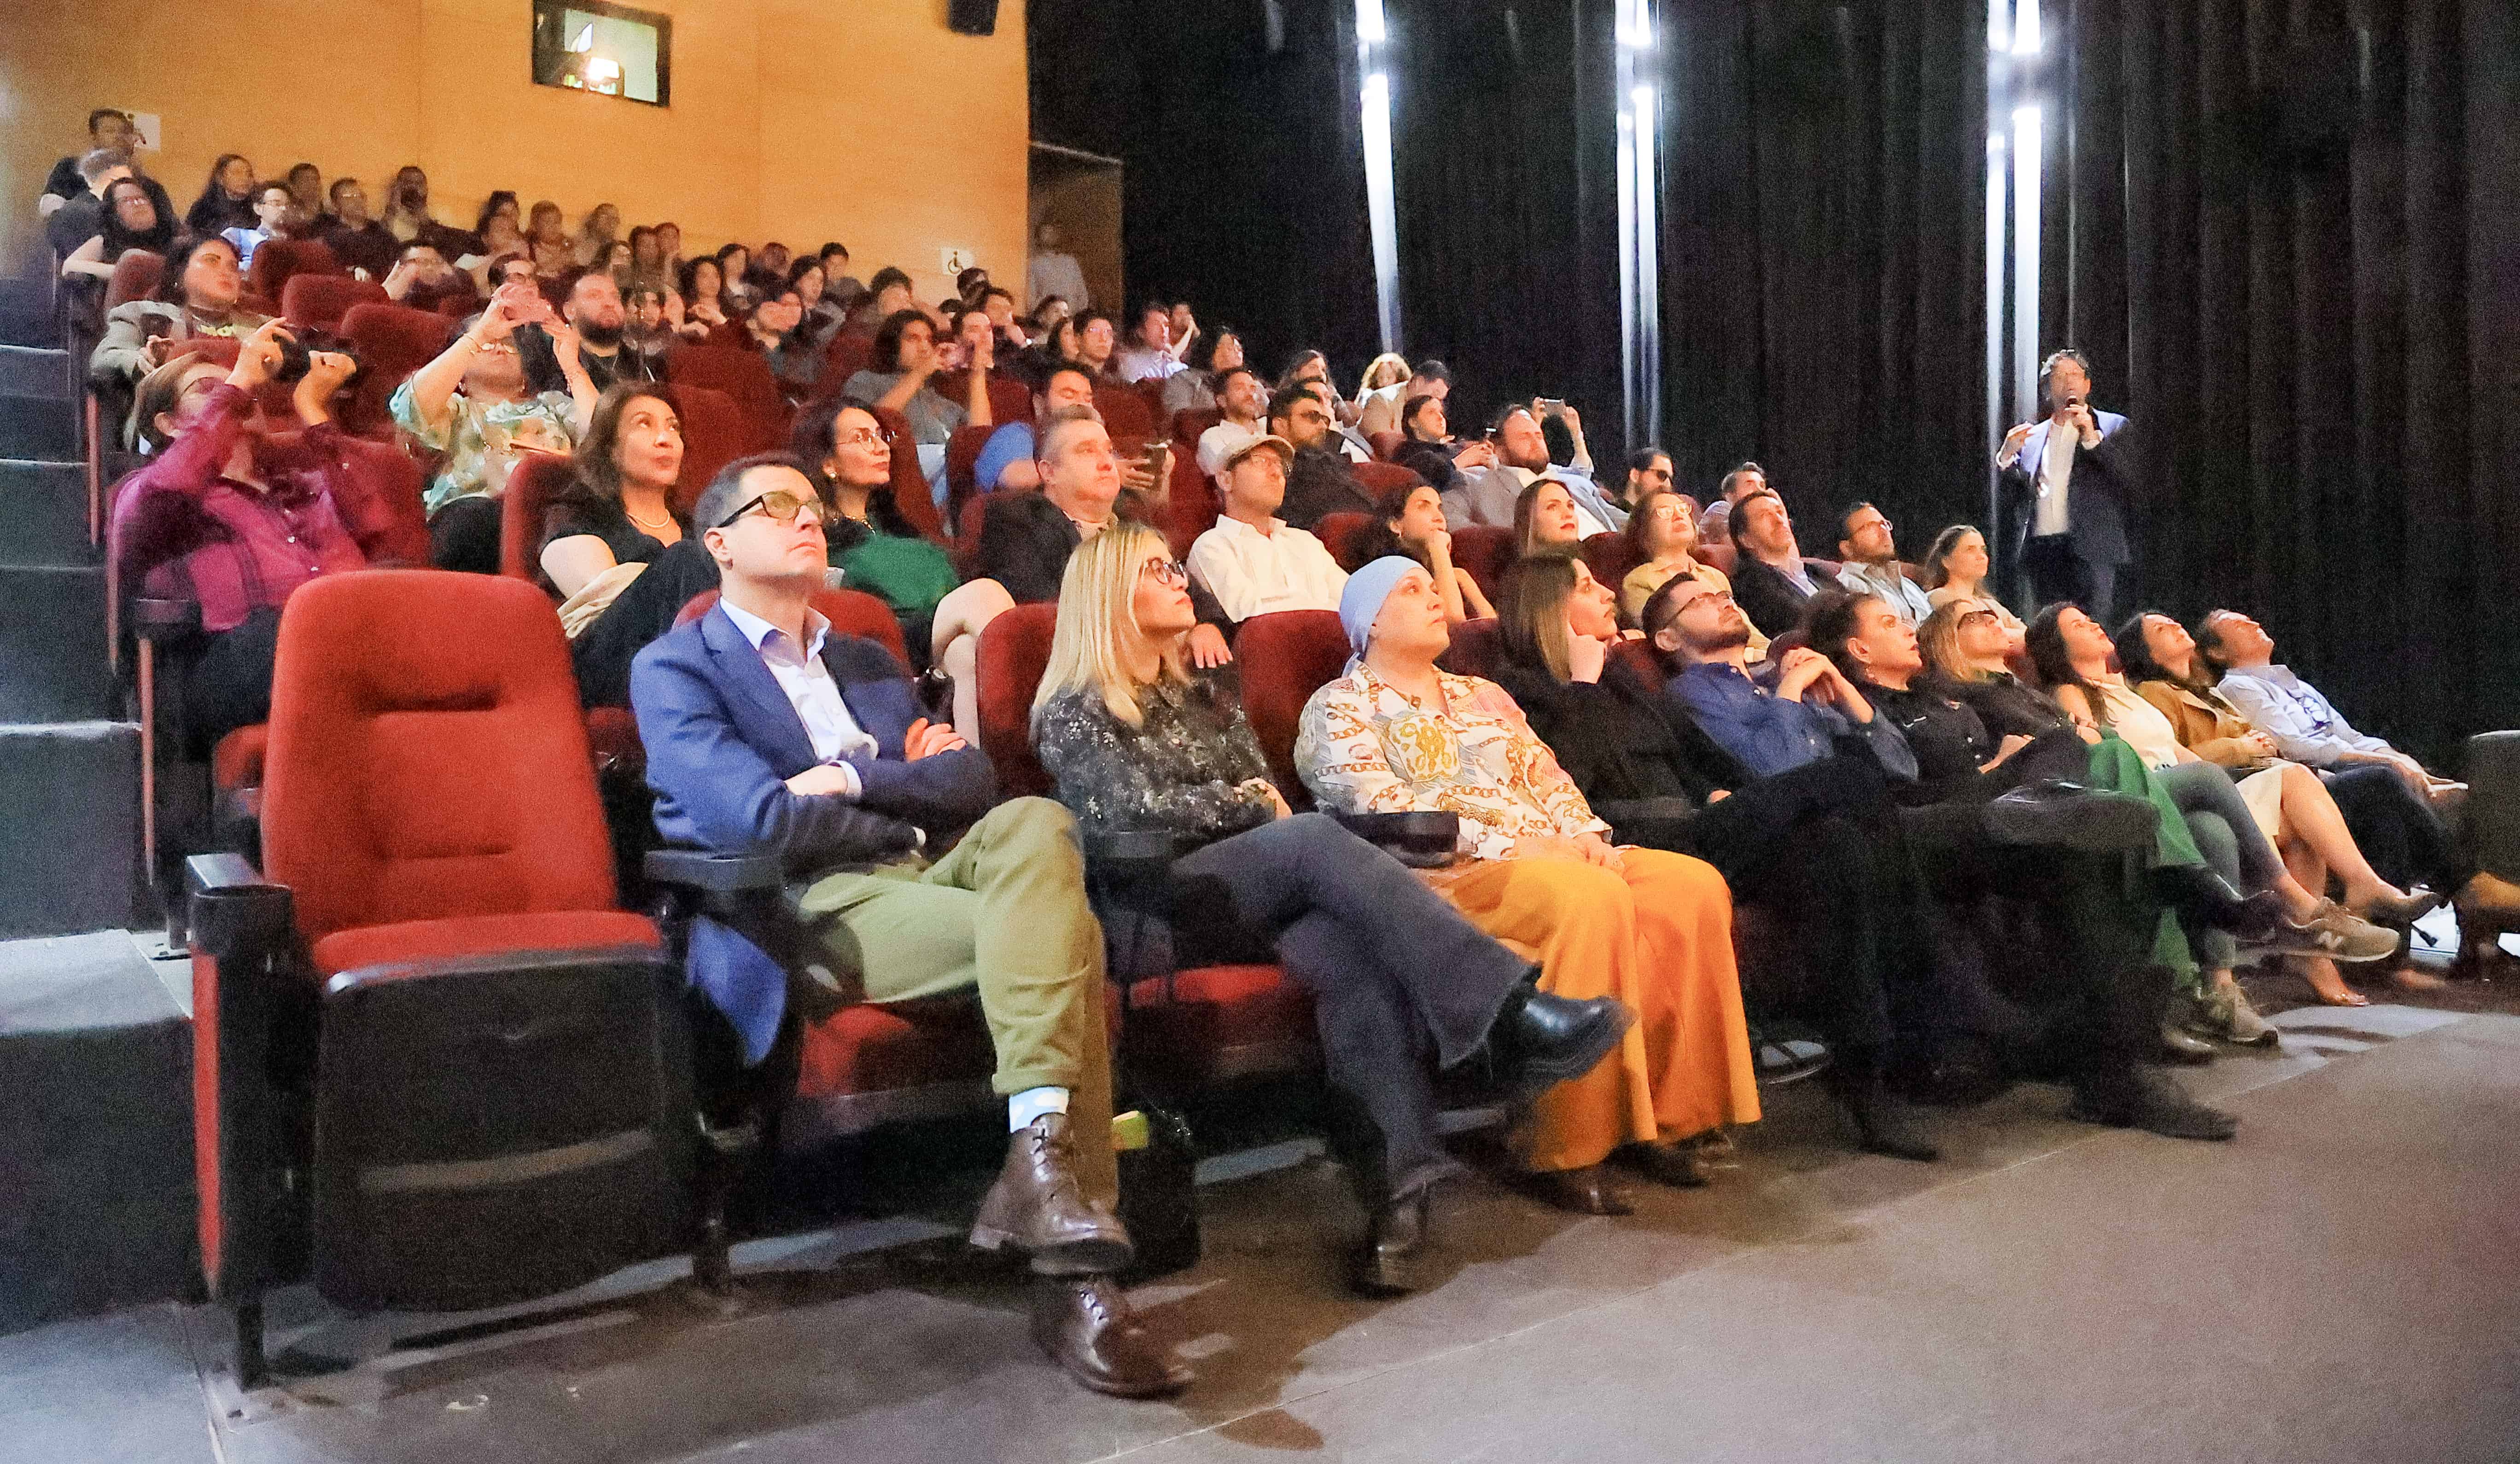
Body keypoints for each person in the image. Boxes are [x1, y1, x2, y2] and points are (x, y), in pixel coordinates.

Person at [631, 454, 1188, 1399]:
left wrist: (848, 779)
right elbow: (758, 822)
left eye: (813, 504)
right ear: (717, 542)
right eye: (776, 505)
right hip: (812, 902)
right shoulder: (677, 667)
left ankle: (1043, 1181)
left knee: (1036, 822)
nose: (807, 516)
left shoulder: (865, 658)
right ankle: (1078, 1276)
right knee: (1068, 938)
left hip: (930, 870)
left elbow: (971, 782)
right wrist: (903, 797)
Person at [1033, 523, 1629, 1290]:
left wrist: (1249, 807)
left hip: (1250, 891)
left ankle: (1402, 1190)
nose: (1179, 576)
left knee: (1348, 957)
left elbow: (1264, 800)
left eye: (1177, 563)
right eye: (1158, 567)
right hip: (1154, 904)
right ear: (1109, 594)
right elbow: (1127, 816)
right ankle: (1510, 1014)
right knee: (1314, 840)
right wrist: (1244, 805)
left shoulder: (1208, 697)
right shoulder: (1074, 709)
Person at [1297, 558, 1761, 1213]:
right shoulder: (1341, 706)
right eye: (1411, 590)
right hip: (1445, 875)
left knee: (1690, 886)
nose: (1434, 597)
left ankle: (1666, 1116)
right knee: (1587, 899)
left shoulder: (1479, 694)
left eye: (1435, 588)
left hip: (1553, 853)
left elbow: (1548, 779)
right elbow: (1383, 811)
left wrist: (1587, 838)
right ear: (1368, 621)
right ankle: (1564, 1142)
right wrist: (1525, 846)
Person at [1493, 553, 1939, 1158]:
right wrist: (1582, 686)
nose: (1603, 591)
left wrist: (1722, 792)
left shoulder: (1631, 680)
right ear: (1544, 607)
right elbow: (1568, 782)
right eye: (1582, 586)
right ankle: (1926, 1004)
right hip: (1641, 840)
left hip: (1708, 822)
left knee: (1837, 845)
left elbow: (1692, 761)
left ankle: (1863, 1076)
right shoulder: (1526, 688)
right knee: (1851, 779)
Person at [2028, 604, 2415, 1004]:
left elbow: (2181, 753)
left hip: (2191, 788)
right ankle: (2301, 906)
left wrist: (2247, 773)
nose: (2093, 623)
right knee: (2237, 781)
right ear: (2059, 648)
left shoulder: (2123, 691)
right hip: (2145, 790)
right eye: (2078, 624)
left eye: (2089, 618)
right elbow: (2094, 751)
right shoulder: (2071, 692)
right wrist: (2235, 755)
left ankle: (2237, 983)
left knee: (2279, 800)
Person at [110, 323, 389, 745]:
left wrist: (312, 407)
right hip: (224, 664)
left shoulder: (301, 487)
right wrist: (239, 380)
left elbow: (376, 522)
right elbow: (167, 494)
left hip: (340, 645)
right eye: (210, 390)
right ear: (167, 424)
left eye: (243, 392)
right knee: (286, 628)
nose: (238, 398)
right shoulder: (148, 492)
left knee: (411, 600)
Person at [2124, 611, 2467, 906]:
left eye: (2171, 621)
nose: (2174, 624)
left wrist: (2399, 758)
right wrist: (2244, 747)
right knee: (2378, 782)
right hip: (2248, 785)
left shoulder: (2210, 693)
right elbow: (2176, 755)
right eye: (2160, 629)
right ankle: (2462, 888)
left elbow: (2343, 737)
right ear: (2149, 654)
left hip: (2282, 776)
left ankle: (2395, 928)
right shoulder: (2163, 692)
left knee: (2387, 788)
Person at [935, 408, 1232, 740]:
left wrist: (1206, 624)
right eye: (1086, 451)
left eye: (1108, 451)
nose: (1107, 463)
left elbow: (1183, 584)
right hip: (1069, 663)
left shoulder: (1134, 526)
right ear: (1048, 472)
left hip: (1147, 658)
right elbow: (1037, 606)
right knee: (963, 650)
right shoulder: (1015, 518)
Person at [391, 281, 596, 573]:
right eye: (490, 343)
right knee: (478, 519)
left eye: (511, 345)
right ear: (460, 378)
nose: (499, 348)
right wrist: (480, 333)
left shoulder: (552, 405)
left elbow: (608, 440)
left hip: (556, 517)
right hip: (476, 520)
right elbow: (408, 409)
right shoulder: (454, 409)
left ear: (526, 374)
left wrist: (573, 369)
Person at [2199, 610, 2466, 808]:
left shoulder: (2300, 686)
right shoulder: (2237, 686)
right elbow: (2294, 746)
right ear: (2217, 653)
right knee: (2382, 777)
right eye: (2238, 624)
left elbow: (2352, 737)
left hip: (2342, 762)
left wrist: (2397, 758)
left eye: (2249, 619)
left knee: (2401, 769)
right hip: (2313, 772)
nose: (2253, 623)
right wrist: (2388, 762)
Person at [795, 398, 958, 656]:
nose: (883, 448)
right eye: (863, 438)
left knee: (965, 650)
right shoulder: (821, 540)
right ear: (829, 464)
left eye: (882, 436)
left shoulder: (892, 524)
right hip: (891, 646)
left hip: (947, 637)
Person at [1996, 348, 2135, 619]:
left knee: (2094, 626)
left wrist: (2092, 439)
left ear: (2087, 385)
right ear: (2048, 388)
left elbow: (2128, 478)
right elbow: (2018, 492)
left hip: (2092, 547)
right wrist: (2006, 456)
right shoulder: (2033, 435)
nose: (2069, 382)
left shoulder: (2112, 426)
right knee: (2051, 631)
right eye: (2060, 376)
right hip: (2043, 548)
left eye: (2076, 375)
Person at [90, 237, 271, 444]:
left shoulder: (264, 327)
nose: (226, 271)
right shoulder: (142, 314)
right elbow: (104, 357)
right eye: (212, 260)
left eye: (233, 266)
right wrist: (140, 360)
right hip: (171, 433)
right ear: (179, 274)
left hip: (254, 429)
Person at [1186, 432, 1349, 622]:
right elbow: (1254, 619)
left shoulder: (1306, 541)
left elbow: (1354, 603)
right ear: (1226, 480)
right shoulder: (1213, 546)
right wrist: (1329, 611)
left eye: (1281, 465)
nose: (1277, 473)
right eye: (1262, 461)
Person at [1440, 404, 1624, 535]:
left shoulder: (1579, 484)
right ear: (1499, 449)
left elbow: (1629, 522)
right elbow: (1450, 519)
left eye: (1538, 436)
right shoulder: (1475, 482)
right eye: (1524, 437)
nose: (1536, 442)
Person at [1617, 488, 1761, 645]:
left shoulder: (1715, 575)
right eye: (1665, 512)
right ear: (1643, 532)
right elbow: (1665, 642)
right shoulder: (1639, 580)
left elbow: (1749, 632)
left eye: (1683, 509)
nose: (1679, 516)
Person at [1352, 481, 1494, 623]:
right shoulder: (1390, 572)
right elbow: (1452, 624)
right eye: (1423, 507)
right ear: (1396, 524)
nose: (1439, 517)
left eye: (1439, 508)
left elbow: (1495, 631)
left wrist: (1465, 580)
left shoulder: (1451, 574)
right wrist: (1437, 547)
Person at [1272, 382, 1386, 530]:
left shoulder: (1330, 461)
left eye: (1323, 420)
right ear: (1280, 425)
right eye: (1311, 417)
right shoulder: (1273, 474)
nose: (1322, 426)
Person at [1726, 489, 1835, 639]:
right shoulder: (1750, 585)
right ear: (1746, 539)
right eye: (1765, 516)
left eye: (1779, 512)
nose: (1779, 520)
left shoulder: (1814, 571)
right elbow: (1802, 626)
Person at [39, 110, 169, 226]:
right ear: (94, 137)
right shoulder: (71, 168)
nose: (119, 137)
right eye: (110, 131)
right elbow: (50, 210)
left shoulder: (148, 185)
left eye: (124, 132)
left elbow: (169, 227)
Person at [1921, 524, 2024, 651]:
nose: (1981, 556)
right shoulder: (1938, 598)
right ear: (1946, 561)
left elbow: (2029, 636)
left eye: (1983, 550)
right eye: (1970, 550)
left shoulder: (1990, 604)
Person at [58, 174, 172, 283]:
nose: (137, 204)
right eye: (126, 200)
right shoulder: (107, 241)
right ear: (114, 211)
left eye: (142, 198)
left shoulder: (177, 240)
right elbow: (70, 266)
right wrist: (126, 270)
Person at [1833, 503, 1933, 624]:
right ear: (1847, 548)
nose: (1884, 531)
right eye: (1870, 527)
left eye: (1884, 524)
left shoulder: (1909, 585)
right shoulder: (1846, 587)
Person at [1390, 390, 1502, 494]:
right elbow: (1419, 485)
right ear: (1413, 422)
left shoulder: (1452, 450)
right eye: (1431, 412)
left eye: (1441, 413)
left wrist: (1488, 460)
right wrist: (1460, 462)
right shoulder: (1408, 453)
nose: (1440, 418)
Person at [314, 178, 397, 279]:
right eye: (350, 197)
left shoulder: (379, 232)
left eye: (361, 196)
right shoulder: (330, 234)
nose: (358, 201)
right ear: (335, 205)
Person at [381, 241, 478, 314]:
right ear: (400, 268)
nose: (430, 267)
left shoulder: (450, 296)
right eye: (423, 262)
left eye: (436, 262)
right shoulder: (389, 299)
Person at [1162, 325, 1240, 417]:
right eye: (1231, 348)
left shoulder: (1251, 386)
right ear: (1212, 351)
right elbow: (1178, 419)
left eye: (1239, 349)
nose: (1238, 354)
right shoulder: (1183, 379)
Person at [1356, 356, 1439, 439]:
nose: (1384, 382)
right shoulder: (1371, 396)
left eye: (1389, 378)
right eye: (1380, 378)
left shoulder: (1408, 397)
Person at [1112, 301, 1194, 383]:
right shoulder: (1130, 363)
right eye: (1156, 324)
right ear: (1141, 332)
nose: (1163, 330)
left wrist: (1175, 359)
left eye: (1166, 325)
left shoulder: (1171, 361)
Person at [219, 183, 293, 273]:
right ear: (258, 209)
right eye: (276, 204)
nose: (284, 209)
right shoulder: (238, 236)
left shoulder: (297, 243)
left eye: (288, 205)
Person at [185, 154, 258, 235]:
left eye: (249, 174)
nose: (245, 178)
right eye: (237, 173)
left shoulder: (259, 208)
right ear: (220, 178)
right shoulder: (203, 208)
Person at [1027, 221, 1089, 311]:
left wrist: (1076, 315)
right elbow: (1031, 298)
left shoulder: (1070, 262)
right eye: (1046, 232)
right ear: (1038, 237)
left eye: (1052, 232)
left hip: (1071, 317)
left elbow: (1082, 295)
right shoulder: (1034, 263)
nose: (1050, 236)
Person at [677, 256, 730, 337]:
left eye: (716, 276)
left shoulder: (731, 310)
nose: (712, 282)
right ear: (693, 280)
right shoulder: (685, 312)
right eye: (704, 276)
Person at [1616, 447, 1675, 514]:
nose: (1668, 484)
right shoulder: (1610, 517)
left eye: (1671, 479)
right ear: (1635, 475)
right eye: (1662, 475)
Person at [574, 202, 621, 269]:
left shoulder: (619, 250)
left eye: (614, 219)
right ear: (594, 219)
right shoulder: (580, 247)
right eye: (605, 217)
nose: (610, 222)